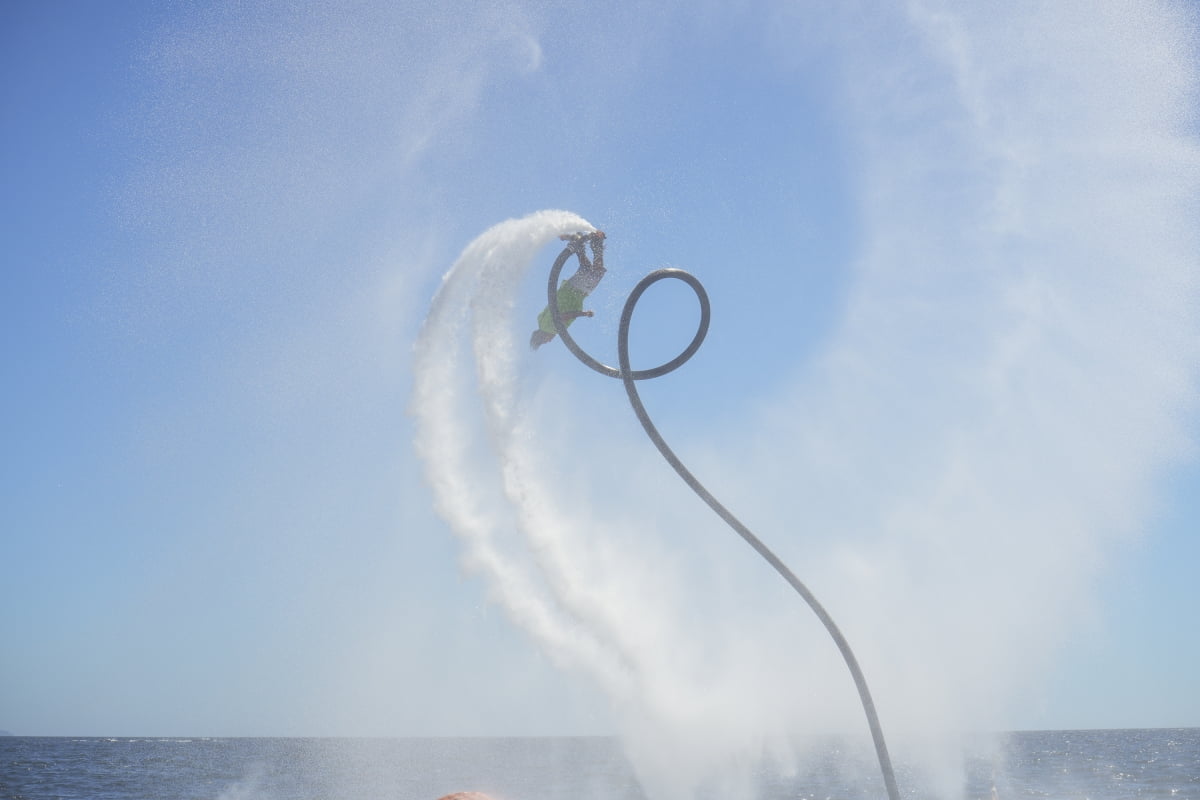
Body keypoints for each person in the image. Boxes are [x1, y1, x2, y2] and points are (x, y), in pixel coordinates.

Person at [529, 230, 606, 350]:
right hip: (568, 289)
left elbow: (563, 316)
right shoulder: (540, 320)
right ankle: (578, 242)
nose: (549, 342)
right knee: (586, 268)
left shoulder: (551, 329)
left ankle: (596, 243)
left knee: (597, 272)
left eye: (545, 342)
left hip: (577, 292)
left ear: (542, 337)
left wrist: (584, 314)